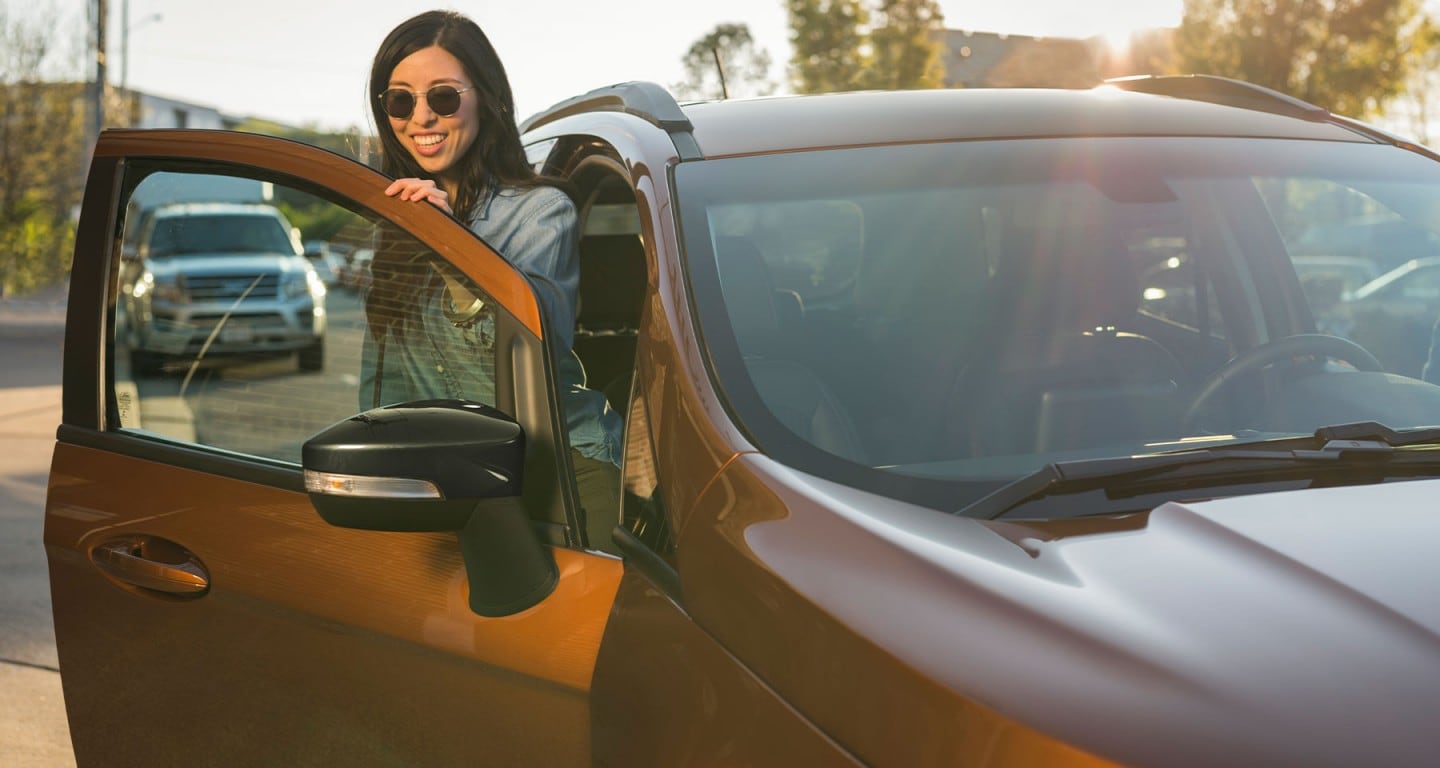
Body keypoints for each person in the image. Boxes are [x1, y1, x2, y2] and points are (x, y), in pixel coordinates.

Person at [361, 9, 622, 549]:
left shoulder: (542, 210)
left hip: (558, 474)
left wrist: (447, 246)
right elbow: (384, 369)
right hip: (443, 477)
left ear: (487, 98)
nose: (422, 118)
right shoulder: (392, 217)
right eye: (401, 100)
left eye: (444, 97)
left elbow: (531, 349)